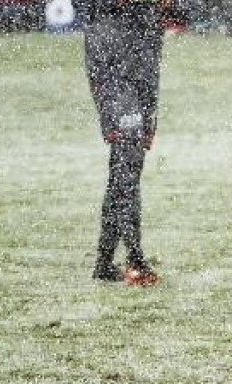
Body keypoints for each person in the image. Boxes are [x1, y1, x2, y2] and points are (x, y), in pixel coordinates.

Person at [79, 0, 164, 286]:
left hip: (143, 66)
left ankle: (104, 262)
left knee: (126, 170)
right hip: (114, 63)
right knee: (125, 168)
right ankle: (135, 257)